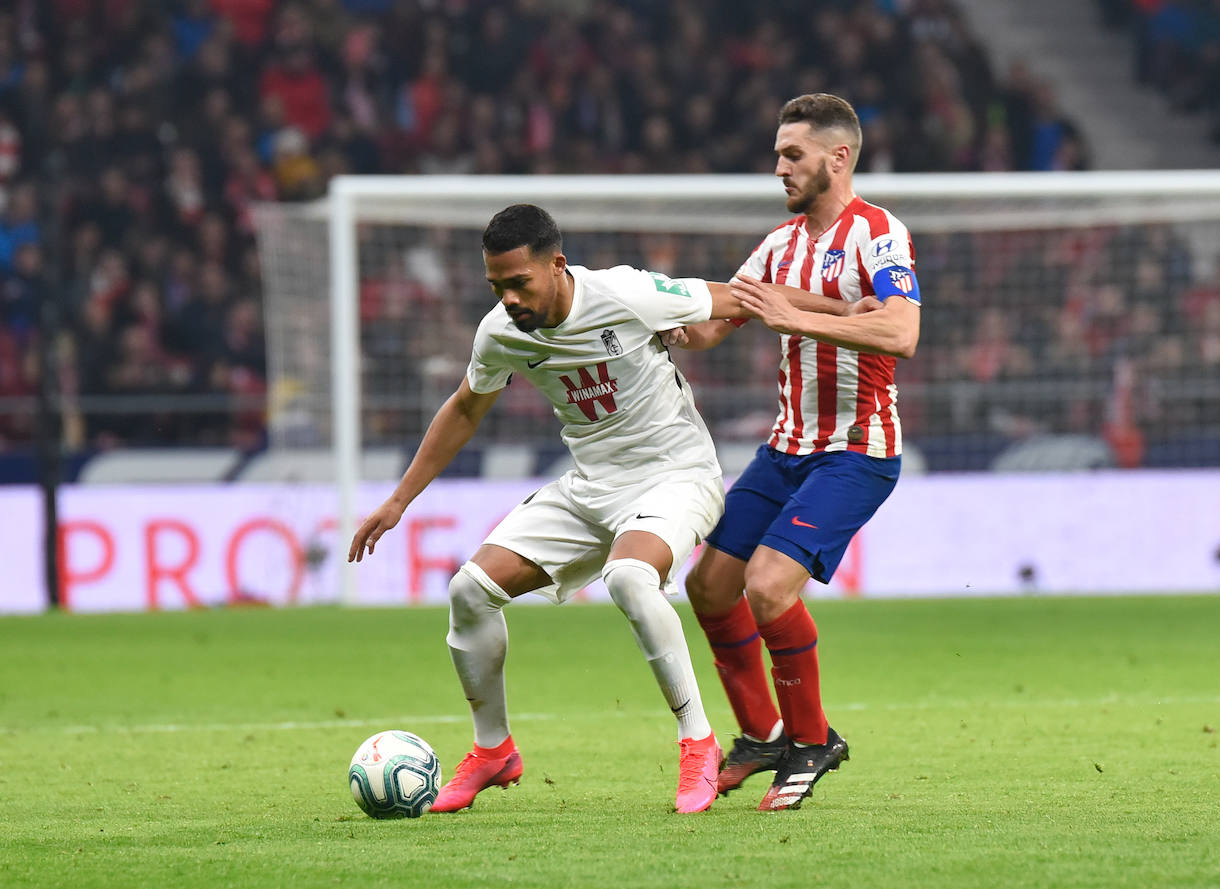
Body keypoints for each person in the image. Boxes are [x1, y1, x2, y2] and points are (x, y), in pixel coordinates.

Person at [349, 203, 856, 815]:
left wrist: (847, 311)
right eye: (496, 286)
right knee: (469, 591)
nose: (508, 298)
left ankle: (696, 741)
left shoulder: (627, 294)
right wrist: (398, 501)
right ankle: (493, 750)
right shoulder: (501, 332)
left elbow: (743, 297)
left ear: (557, 265)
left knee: (630, 578)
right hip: (592, 486)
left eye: (519, 282)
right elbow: (464, 408)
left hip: (677, 475)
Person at [668, 92, 922, 811]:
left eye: (792, 154)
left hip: (856, 452)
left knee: (769, 585)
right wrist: (667, 317)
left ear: (838, 158)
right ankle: (763, 734)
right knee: (708, 586)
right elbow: (719, 321)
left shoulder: (879, 234)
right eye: (778, 154)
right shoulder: (779, 244)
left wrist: (797, 317)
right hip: (785, 449)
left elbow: (901, 332)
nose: (779, 167)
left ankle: (813, 740)